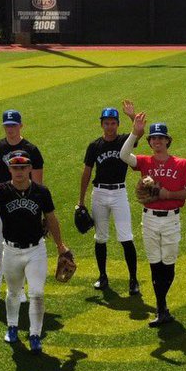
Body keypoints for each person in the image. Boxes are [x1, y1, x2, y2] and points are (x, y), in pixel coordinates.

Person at [0, 152, 71, 353]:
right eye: (15, 167)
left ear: (30, 169)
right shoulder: (1, 190)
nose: (19, 171)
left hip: (36, 250)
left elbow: (51, 218)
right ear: (9, 169)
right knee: (14, 292)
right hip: (11, 250)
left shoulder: (42, 192)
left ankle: (35, 334)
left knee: (37, 293)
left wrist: (60, 246)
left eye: (23, 167)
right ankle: (12, 326)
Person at [120, 111, 186, 327]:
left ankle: (162, 306)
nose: (156, 141)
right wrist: (134, 133)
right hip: (150, 219)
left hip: (172, 220)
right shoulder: (144, 162)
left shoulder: (181, 163)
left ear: (167, 141)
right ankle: (162, 307)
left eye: (160, 138)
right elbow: (123, 155)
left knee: (168, 265)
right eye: (153, 138)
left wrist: (168, 195)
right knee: (155, 265)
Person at [0, 109, 44, 303]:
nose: (10, 129)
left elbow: (38, 183)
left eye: (13, 125)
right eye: (7, 125)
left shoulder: (32, 149)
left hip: (23, 203)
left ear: (21, 125)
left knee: (20, 247)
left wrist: (39, 210)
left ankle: (19, 289)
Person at [79, 106, 140, 294]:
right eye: (106, 123)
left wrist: (132, 117)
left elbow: (138, 133)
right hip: (99, 193)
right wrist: (80, 201)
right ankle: (103, 276)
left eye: (113, 123)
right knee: (100, 238)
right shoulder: (94, 146)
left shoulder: (123, 141)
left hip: (119, 193)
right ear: (101, 124)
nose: (110, 126)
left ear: (118, 124)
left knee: (126, 237)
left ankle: (133, 280)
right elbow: (87, 173)